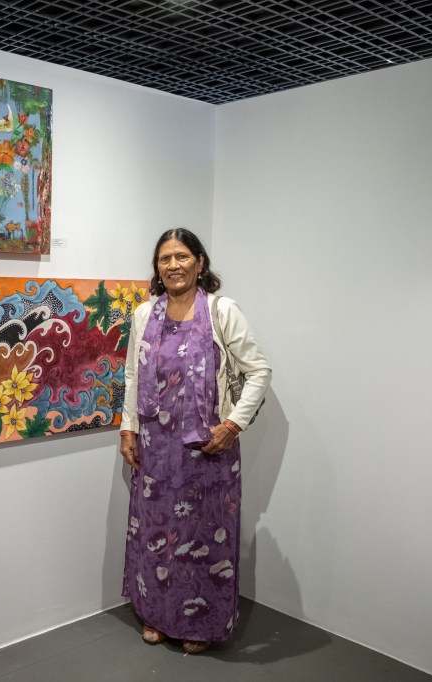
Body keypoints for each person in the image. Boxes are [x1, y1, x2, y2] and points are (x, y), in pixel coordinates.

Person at [118, 228, 271, 654]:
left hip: (208, 450)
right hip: (155, 449)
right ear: (157, 267)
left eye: (182, 256)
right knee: (156, 533)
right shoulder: (144, 315)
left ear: (200, 262)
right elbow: (132, 374)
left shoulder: (222, 310)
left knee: (205, 538)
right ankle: (156, 615)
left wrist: (233, 425)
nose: (173, 265)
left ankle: (200, 626)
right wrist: (128, 428)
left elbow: (259, 371)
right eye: (165, 258)